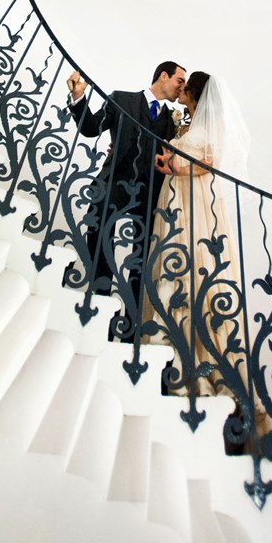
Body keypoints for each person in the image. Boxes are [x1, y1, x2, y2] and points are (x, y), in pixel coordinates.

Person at [142, 71, 252, 402]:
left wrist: (178, 168)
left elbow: (210, 163)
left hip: (195, 199)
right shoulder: (184, 125)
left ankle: (203, 364)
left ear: (194, 92)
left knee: (194, 261)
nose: (181, 88)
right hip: (173, 195)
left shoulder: (211, 125)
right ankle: (167, 344)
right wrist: (167, 162)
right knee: (171, 258)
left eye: (185, 85)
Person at [66, 61, 186, 339]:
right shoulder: (121, 99)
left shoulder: (174, 122)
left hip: (149, 195)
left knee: (141, 261)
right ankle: (97, 311)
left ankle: (129, 331)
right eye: (179, 81)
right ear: (163, 76)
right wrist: (78, 97)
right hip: (113, 185)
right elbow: (91, 128)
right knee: (99, 242)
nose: (181, 88)